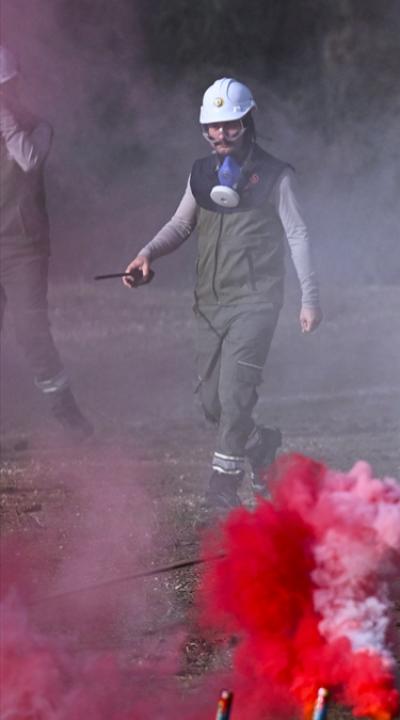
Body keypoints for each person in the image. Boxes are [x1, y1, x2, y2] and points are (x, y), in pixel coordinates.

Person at [121, 77, 321, 513]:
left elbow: (298, 234)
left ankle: (222, 489)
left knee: (235, 395)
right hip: (209, 307)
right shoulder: (201, 174)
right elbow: (180, 224)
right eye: (214, 126)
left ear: (248, 122)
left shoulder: (276, 176)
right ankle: (260, 445)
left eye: (230, 124)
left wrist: (309, 298)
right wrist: (146, 253)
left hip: (256, 301)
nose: (221, 133)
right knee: (212, 403)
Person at [0, 45, 94, 442]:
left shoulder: (37, 128)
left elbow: (28, 160)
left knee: (31, 330)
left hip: (22, 247)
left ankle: (65, 412)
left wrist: (5, 120)